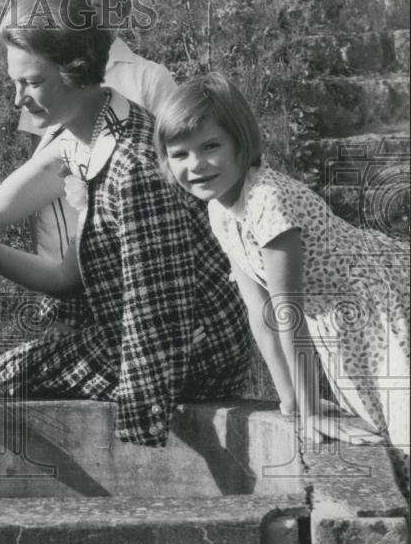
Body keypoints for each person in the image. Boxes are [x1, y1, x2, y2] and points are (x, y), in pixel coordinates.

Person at [0, 0, 250, 446]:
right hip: (137, 329)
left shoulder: (134, 165)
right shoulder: (78, 131)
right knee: (2, 381)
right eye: (15, 82)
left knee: (2, 386)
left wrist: (138, 412)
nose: (18, 99)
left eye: (31, 83)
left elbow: (156, 312)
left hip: (196, 344)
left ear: (75, 69)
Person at [154, 73, 410, 460]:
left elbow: (286, 311)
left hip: (383, 294)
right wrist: (291, 399)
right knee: (379, 428)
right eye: (180, 154)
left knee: (402, 420)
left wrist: (311, 411)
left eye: (210, 146)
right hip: (339, 316)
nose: (197, 165)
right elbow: (260, 312)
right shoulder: (220, 213)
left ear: (241, 144)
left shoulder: (268, 200)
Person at [21, 0, 177, 298]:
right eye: (71, 8)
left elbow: (171, 163)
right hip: (60, 233)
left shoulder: (149, 79)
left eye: (92, 7)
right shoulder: (40, 78)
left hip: (131, 241)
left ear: (120, 9)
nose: (81, 20)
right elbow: (33, 164)